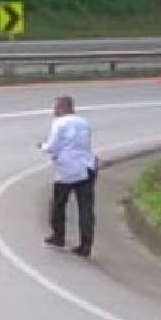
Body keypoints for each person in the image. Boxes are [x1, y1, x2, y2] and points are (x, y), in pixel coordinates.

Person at [40, 94, 98, 257]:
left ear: (63, 108)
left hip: (67, 170)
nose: (54, 111)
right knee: (86, 208)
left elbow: (52, 147)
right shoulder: (84, 122)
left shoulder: (59, 123)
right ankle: (86, 245)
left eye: (56, 108)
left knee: (59, 204)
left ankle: (59, 236)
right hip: (87, 167)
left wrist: (42, 146)